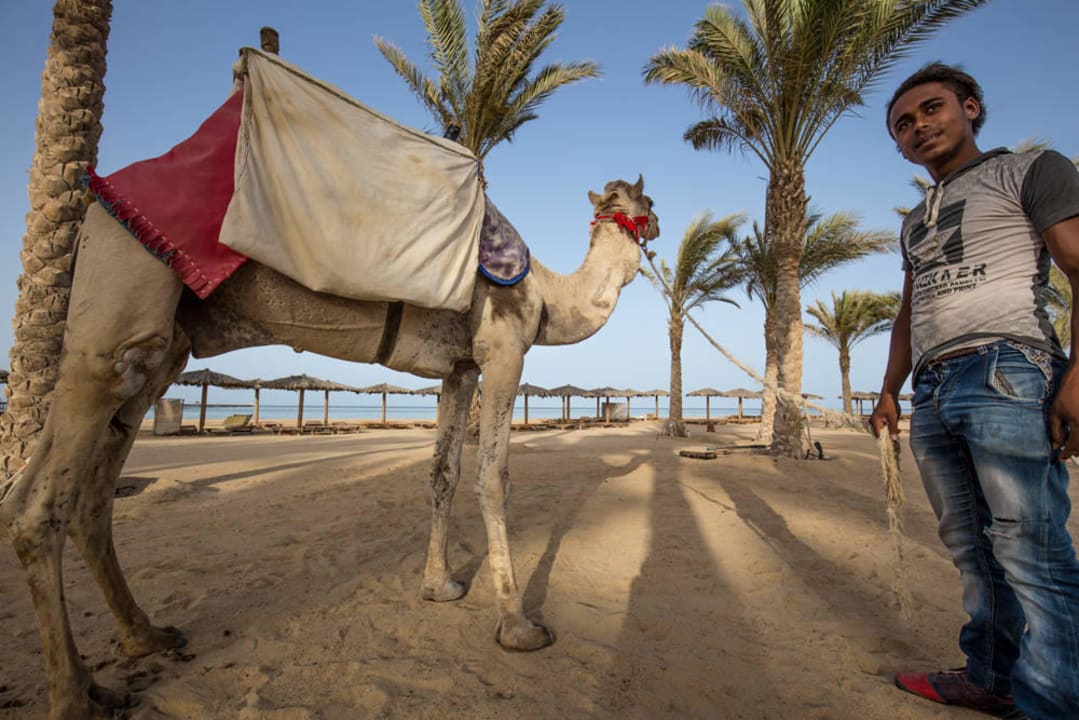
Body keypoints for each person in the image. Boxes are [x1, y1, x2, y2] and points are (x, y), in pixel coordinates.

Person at [870, 62, 1079, 720]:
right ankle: (989, 677)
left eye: (931, 109)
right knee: (969, 543)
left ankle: (1053, 702)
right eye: (903, 124)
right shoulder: (913, 220)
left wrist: (1076, 377)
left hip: (1006, 368)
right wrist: (887, 392)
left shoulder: (1029, 170)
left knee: (1030, 546)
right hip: (931, 388)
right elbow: (909, 312)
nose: (918, 127)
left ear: (970, 107)